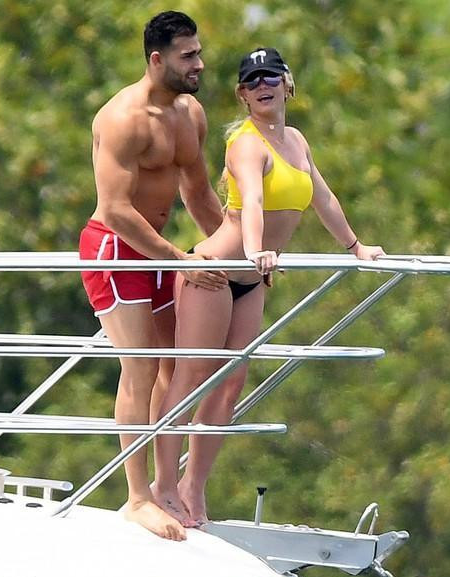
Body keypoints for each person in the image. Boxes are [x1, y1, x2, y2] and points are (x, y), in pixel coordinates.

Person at [153, 47, 385, 526]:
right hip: (215, 271)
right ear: (242, 94)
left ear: (287, 83)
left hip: (252, 279)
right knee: (193, 376)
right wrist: (256, 248)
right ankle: (163, 486)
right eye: (252, 81)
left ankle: (194, 486)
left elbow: (323, 198)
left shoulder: (296, 141)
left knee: (230, 383)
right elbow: (253, 202)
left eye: (270, 77)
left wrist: (356, 247)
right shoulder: (246, 144)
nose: (263, 86)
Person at [78, 11, 227, 542]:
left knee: (177, 365)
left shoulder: (190, 113)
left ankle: (166, 486)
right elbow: (116, 209)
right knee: (139, 367)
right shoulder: (123, 119)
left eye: (199, 53)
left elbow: (198, 193)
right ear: (157, 59)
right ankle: (136, 497)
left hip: (160, 251)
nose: (199, 64)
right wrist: (179, 259)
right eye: (188, 56)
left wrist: (237, 256)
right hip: (115, 248)